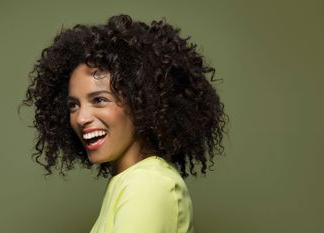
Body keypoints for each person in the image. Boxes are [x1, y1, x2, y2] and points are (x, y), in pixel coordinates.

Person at [21, 14, 228, 233]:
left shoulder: (147, 185)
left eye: (99, 100)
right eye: (73, 105)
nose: (81, 118)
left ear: (142, 104)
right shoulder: (129, 182)